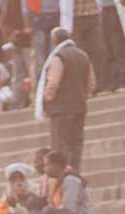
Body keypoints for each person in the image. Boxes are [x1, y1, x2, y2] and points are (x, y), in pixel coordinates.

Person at [38, 28, 94, 168]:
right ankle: (75, 171)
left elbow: (53, 82)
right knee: (76, 144)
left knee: (60, 144)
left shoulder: (59, 57)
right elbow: (91, 83)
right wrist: (82, 95)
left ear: (54, 40)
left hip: (61, 109)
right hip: (80, 106)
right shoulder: (83, 55)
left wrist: (47, 98)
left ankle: (63, 173)